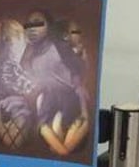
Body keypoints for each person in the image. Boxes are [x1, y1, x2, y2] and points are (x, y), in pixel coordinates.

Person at [20, 10, 90, 156]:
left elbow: (79, 67)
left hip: (68, 96)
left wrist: (80, 86)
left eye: (38, 23)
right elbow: (26, 70)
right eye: (28, 25)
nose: (32, 28)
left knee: (67, 132)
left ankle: (63, 149)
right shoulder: (31, 53)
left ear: (49, 26)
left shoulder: (59, 46)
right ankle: (63, 150)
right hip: (48, 97)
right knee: (44, 128)